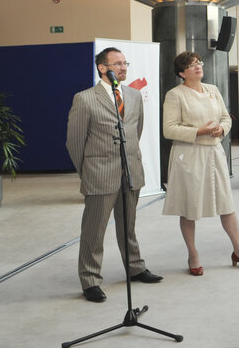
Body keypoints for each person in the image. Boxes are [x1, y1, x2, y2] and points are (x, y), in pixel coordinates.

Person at [66, 47, 163, 303]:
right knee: (94, 231)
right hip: (100, 174)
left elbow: (135, 132)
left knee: (128, 226)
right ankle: (90, 280)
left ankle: (135, 267)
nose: (123, 67)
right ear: (102, 67)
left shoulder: (132, 95)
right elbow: (75, 142)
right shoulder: (85, 98)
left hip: (130, 171)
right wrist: (88, 171)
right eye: (117, 63)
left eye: (125, 63)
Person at [162, 51, 239, 275]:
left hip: (214, 153)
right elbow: (169, 129)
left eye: (199, 63)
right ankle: (193, 255)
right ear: (181, 73)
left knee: (227, 204)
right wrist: (200, 131)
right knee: (189, 207)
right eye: (192, 65)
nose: (198, 67)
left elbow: (226, 116)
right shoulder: (175, 95)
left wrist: (222, 129)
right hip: (189, 155)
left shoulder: (212, 89)